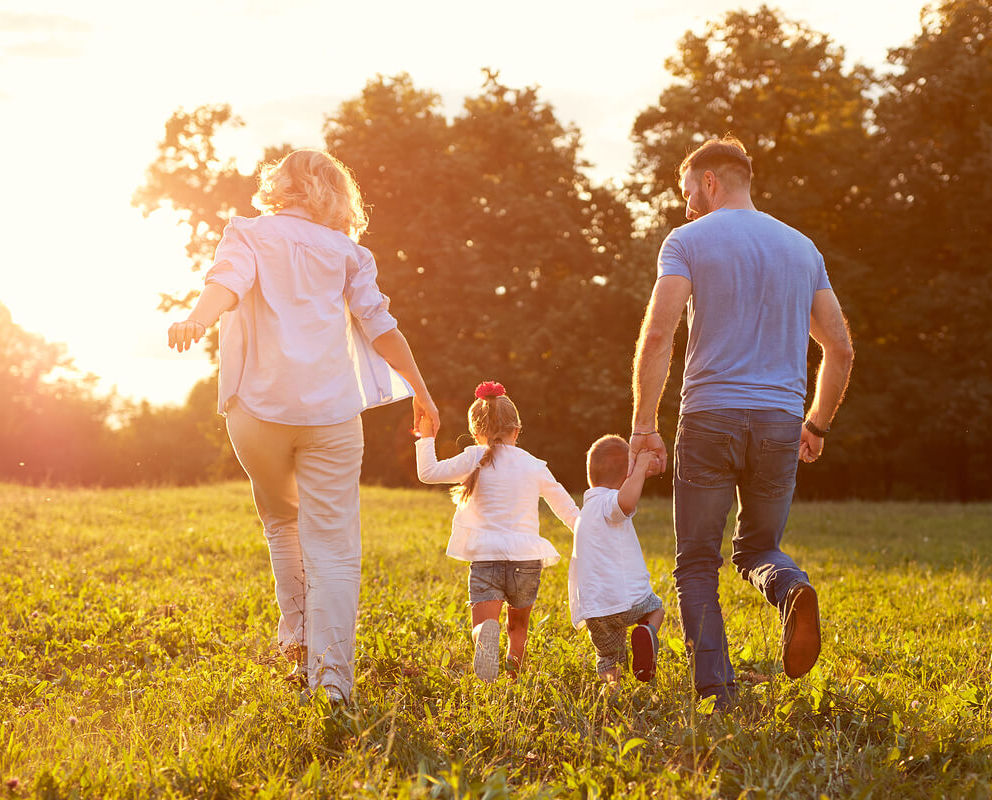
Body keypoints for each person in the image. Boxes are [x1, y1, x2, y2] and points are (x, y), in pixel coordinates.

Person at [166, 148, 439, 703]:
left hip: (258, 411)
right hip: (332, 414)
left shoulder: (248, 232)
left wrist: (198, 318)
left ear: (278, 187)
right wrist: (422, 392)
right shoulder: (349, 252)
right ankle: (333, 681)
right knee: (334, 547)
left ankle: (296, 639)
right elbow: (381, 326)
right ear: (336, 195)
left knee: (280, 521)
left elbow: (227, 282)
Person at [629, 135, 855, 708]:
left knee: (697, 562)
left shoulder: (687, 241)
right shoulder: (804, 249)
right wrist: (818, 424)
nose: (684, 207)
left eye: (687, 193)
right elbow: (841, 348)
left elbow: (659, 333)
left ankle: (717, 692)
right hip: (781, 420)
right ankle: (793, 588)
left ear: (710, 182)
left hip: (709, 417)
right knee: (758, 548)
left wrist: (643, 425)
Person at [415, 381, 580, 681]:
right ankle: (513, 677)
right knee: (518, 627)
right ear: (516, 430)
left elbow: (428, 473)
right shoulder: (533, 464)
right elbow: (565, 507)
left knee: (483, 624)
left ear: (477, 432)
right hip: (526, 559)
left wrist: (426, 436)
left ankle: (483, 637)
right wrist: (587, 533)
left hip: (487, 556)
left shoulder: (472, 457)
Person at [568, 435, 666, 686]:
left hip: (594, 611)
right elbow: (625, 501)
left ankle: (610, 699)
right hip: (626, 601)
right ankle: (646, 633)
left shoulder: (585, 512)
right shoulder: (606, 502)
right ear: (626, 478)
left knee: (607, 657)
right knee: (656, 609)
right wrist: (641, 468)